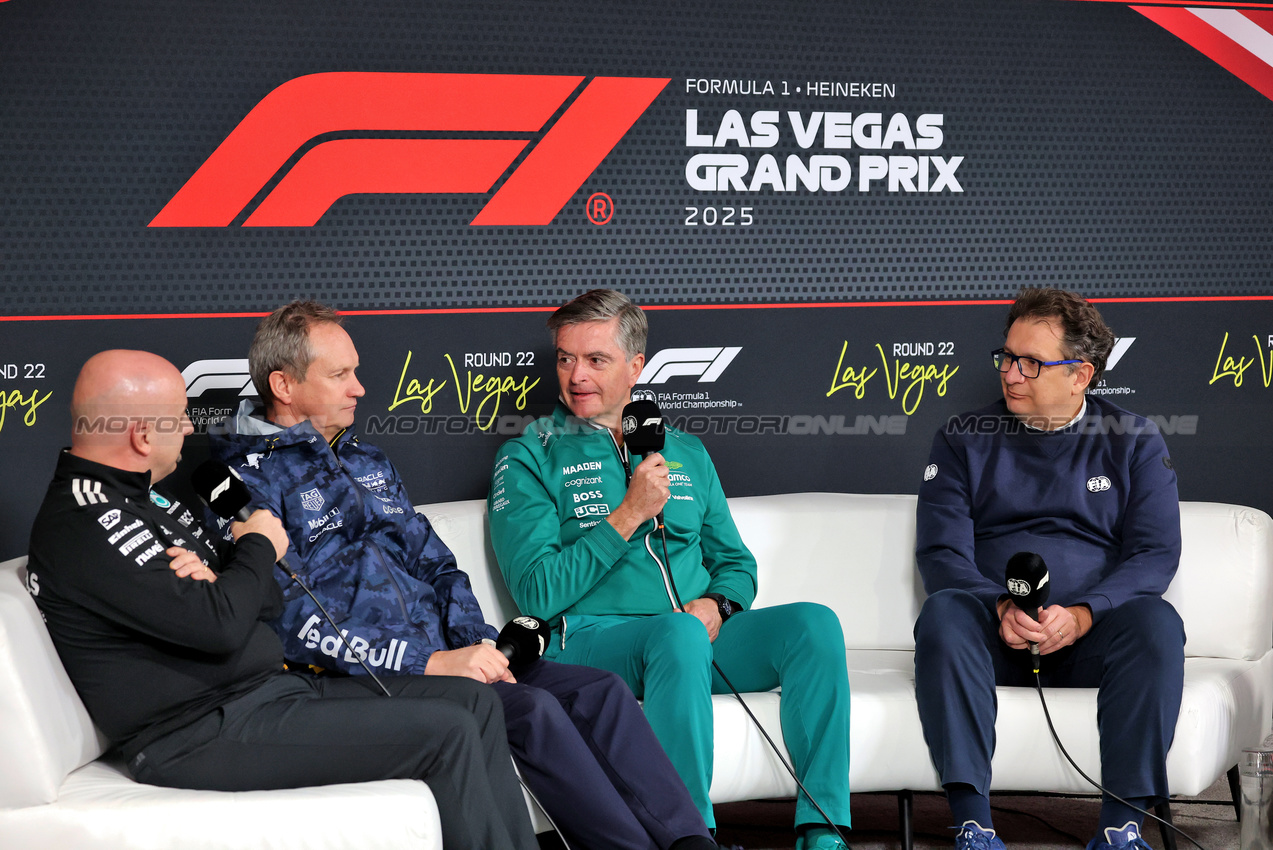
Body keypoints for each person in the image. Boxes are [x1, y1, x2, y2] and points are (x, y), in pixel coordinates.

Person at [208, 301, 716, 850]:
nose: (359, 388)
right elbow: (289, 619)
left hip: (451, 658)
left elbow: (438, 565)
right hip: (366, 677)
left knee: (601, 692)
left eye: (355, 371)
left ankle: (693, 843)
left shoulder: (367, 460)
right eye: (340, 375)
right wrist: (429, 662)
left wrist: (478, 646)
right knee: (534, 711)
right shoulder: (242, 485)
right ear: (283, 385)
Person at [26, 350, 537, 850]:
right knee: (447, 731)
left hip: (270, 692)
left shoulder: (148, 500)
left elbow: (265, 599)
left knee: (473, 701)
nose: (188, 427)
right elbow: (223, 623)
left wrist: (228, 582)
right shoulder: (86, 520)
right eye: (179, 417)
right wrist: (256, 547)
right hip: (196, 731)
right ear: (141, 436)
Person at [487, 289, 853, 850]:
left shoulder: (684, 451)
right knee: (677, 635)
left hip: (690, 636)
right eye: (565, 358)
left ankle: (824, 834)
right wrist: (627, 516)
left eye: (596, 360)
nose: (576, 376)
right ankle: (689, 837)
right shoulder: (529, 455)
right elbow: (536, 592)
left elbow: (735, 564)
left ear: (636, 366)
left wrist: (719, 605)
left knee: (813, 624)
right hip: (590, 640)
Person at [913, 288, 1184, 850]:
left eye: (1031, 363)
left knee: (1158, 624)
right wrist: (999, 606)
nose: (1011, 374)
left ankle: (1121, 829)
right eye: (1007, 357)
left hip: (1091, 637)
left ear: (1081, 375)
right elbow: (941, 553)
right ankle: (973, 827)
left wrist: (1085, 614)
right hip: (996, 633)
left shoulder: (1134, 440)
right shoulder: (962, 438)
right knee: (942, 614)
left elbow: (1155, 553)